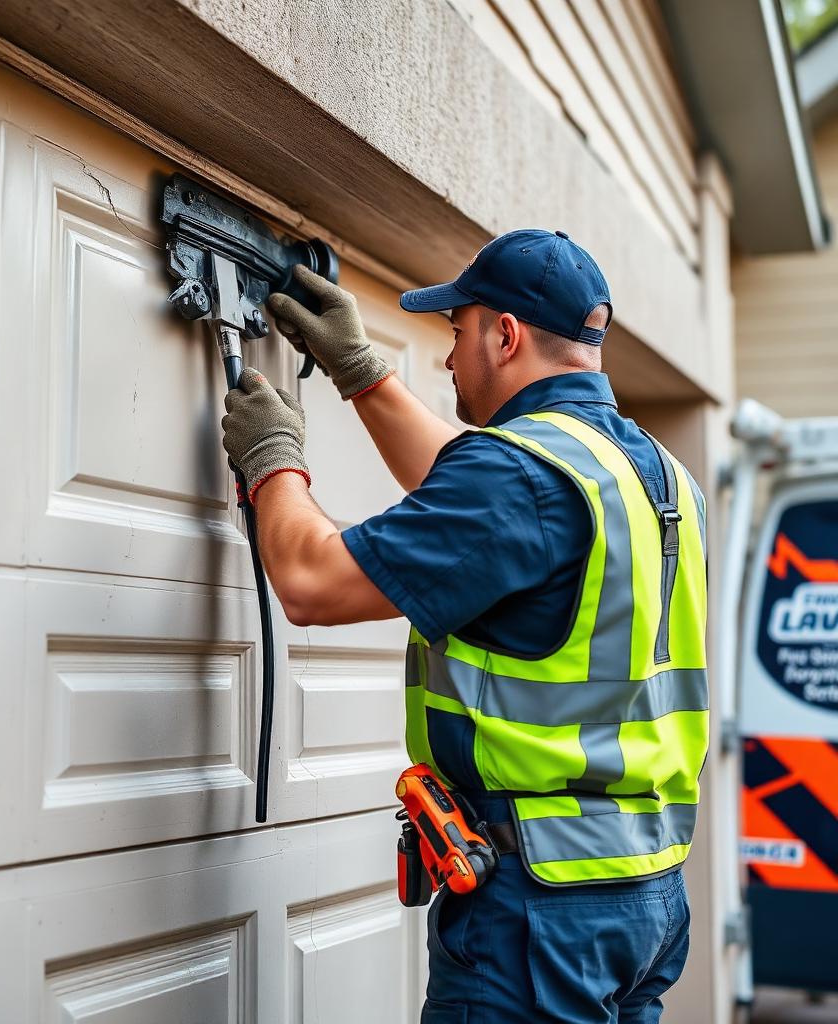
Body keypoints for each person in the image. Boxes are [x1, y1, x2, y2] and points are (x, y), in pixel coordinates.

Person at [220, 229, 708, 1023]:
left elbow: (310, 583)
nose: (448, 360)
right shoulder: (653, 472)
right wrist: (360, 372)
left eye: (458, 332)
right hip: (643, 898)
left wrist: (275, 460)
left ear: (505, 335)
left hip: (535, 917)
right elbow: (489, 513)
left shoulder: (522, 476)